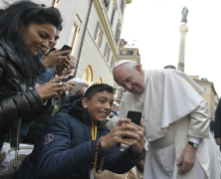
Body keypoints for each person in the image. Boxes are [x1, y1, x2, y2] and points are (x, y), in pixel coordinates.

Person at [113, 60, 219, 179]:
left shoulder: (167, 76)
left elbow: (200, 110)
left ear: (138, 69)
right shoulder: (127, 98)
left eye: (128, 80)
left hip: (186, 148)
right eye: (122, 85)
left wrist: (191, 147)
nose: (128, 87)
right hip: (156, 159)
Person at [16, 84, 145, 179]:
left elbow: (116, 165)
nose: (108, 107)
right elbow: (49, 168)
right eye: (102, 101)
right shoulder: (62, 120)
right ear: (85, 103)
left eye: (111, 103)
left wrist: (134, 152)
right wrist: (100, 144)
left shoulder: (102, 130)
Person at [0, 1, 65, 151]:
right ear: (20, 25)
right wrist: (36, 95)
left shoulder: (19, 61)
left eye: (50, 40)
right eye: (42, 35)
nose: (46, 44)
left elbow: (16, 116)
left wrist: (46, 96)